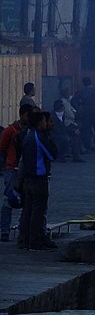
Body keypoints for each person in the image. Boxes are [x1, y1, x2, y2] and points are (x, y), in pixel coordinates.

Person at [17, 110, 58, 250]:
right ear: (40, 122)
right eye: (45, 121)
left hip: (28, 178)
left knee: (27, 210)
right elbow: (52, 154)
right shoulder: (38, 136)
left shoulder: (28, 136)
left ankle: (24, 239)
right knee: (38, 212)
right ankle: (35, 241)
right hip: (38, 178)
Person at [0, 104, 35, 242]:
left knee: (27, 201)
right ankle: (4, 230)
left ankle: (22, 230)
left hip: (26, 171)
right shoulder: (10, 130)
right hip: (13, 170)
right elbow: (1, 148)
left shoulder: (31, 131)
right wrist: (8, 164)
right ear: (22, 115)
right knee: (9, 200)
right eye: (28, 115)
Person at [72, 77, 95, 153]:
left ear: (83, 83)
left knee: (87, 130)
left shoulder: (81, 91)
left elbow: (73, 101)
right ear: (91, 82)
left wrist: (79, 109)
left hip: (85, 113)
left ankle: (88, 146)